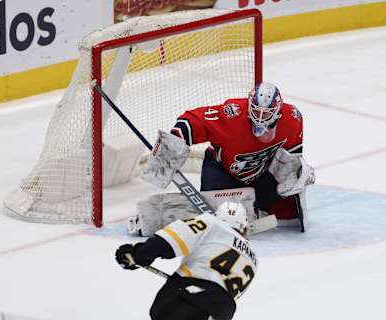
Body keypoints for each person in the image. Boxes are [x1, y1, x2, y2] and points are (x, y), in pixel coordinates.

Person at [167, 82, 314, 231]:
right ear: (249, 105)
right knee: (211, 218)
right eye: (256, 112)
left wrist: (298, 173)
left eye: (267, 113)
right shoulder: (232, 115)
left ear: (277, 111)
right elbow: (193, 121)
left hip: (260, 173)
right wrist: (174, 139)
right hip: (222, 171)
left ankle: (258, 206)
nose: (261, 118)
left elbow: (291, 158)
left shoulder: (292, 119)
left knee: (288, 206)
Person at [116, 201, 257, 320]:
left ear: (217, 216)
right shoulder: (253, 258)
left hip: (187, 298)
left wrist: (139, 254)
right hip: (222, 311)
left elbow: (168, 242)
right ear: (243, 226)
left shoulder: (211, 223)